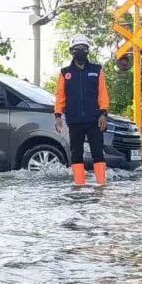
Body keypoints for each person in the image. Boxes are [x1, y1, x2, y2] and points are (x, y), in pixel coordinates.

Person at [54, 34, 110, 187]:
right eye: (77, 49)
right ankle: (79, 186)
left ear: (87, 50)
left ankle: (101, 186)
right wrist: (57, 115)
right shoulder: (65, 73)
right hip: (74, 120)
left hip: (94, 120)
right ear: (71, 51)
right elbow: (60, 95)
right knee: (76, 154)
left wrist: (103, 113)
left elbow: (103, 93)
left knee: (98, 153)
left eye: (83, 48)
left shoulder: (97, 70)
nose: (80, 51)